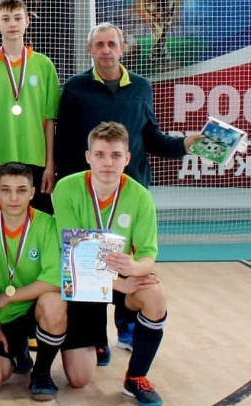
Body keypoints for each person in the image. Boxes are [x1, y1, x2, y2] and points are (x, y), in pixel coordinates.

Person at [54, 22, 200, 364]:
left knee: (124, 259)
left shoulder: (141, 87)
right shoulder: (75, 89)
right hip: (89, 194)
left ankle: (127, 327)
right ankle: (95, 336)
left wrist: (184, 145)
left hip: (129, 189)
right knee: (90, 259)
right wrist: (68, 184)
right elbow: (65, 142)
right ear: (90, 50)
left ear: (122, 48)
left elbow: (151, 137)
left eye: (112, 44)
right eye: (99, 44)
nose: (106, 50)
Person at [53, 122, 168, 406]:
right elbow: (72, 253)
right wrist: (118, 283)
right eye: (100, 155)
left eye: (116, 155)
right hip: (82, 276)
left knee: (155, 295)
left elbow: (148, 256)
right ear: (88, 157)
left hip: (123, 275)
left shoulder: (140, 196)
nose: (108, 162)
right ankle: (97, 340)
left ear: (127, 159)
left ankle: (136, 377)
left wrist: (135, 268)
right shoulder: (66, 188)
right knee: (78, 379)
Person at [0, 162, 66, 400]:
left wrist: (8, 297)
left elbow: (54, 280)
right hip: (1, 316)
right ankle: (19, 353)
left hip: (35, 310)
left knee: (54, 302)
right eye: (6, 190)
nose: (14, 198)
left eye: (21, 190)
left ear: (32, 192)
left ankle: (42, 373)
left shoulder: (47, 224)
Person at [0, 0, 59, 215]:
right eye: (6, 19)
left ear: (27, 21)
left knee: (39, 222)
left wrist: (50, 165)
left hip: (35, 159)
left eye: (18, 18)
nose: (12, 24)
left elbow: (50, 121)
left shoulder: (44, 65)